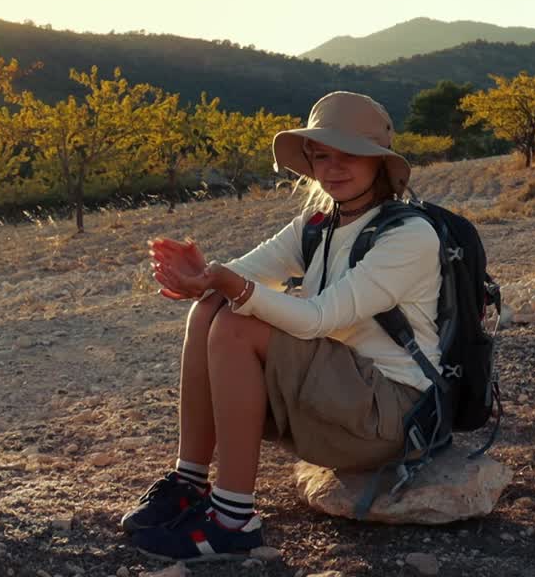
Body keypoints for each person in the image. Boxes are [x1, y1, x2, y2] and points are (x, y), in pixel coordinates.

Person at [123, 91, 442, 562]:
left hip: (392, 415)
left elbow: (317, 319)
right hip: (340, 396)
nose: (333, 167)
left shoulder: (409, 235)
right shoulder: (318, 225)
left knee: (236, 321)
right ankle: (189, 483)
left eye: (348, 154)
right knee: (211, 307)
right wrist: (204, 277)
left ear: (378, 160)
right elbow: (245, 273)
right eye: (321, 154)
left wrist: (232, 286)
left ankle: (232, 521)